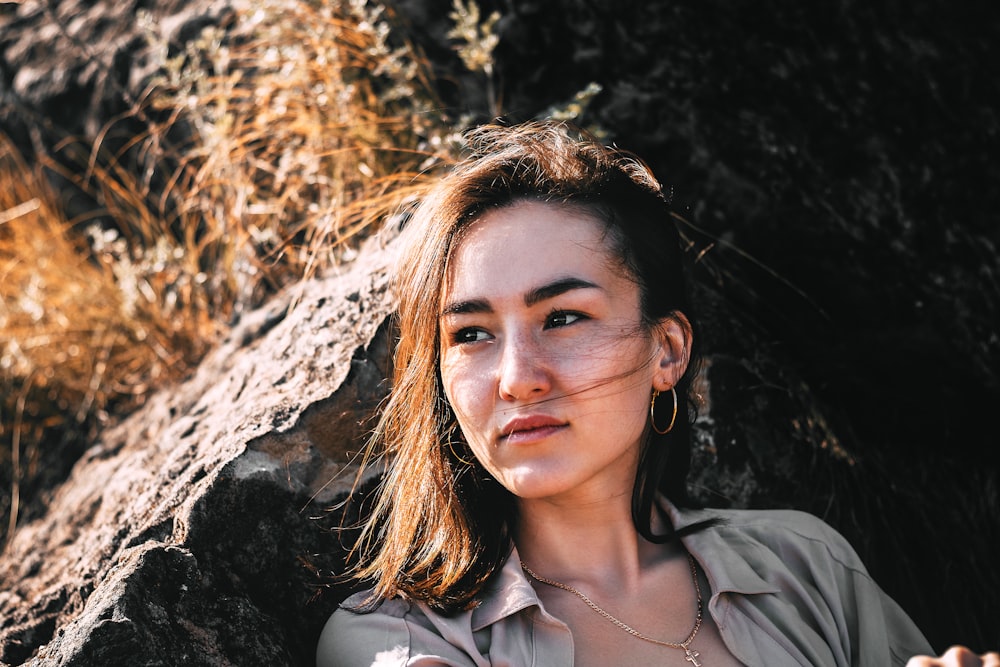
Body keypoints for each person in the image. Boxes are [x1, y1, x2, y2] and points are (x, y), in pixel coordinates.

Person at [316, 120, 996, 667]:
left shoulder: (802, 563)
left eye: (562, 317)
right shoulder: (399, 642)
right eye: (470, 334)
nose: (517, 376)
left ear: (667, 350)